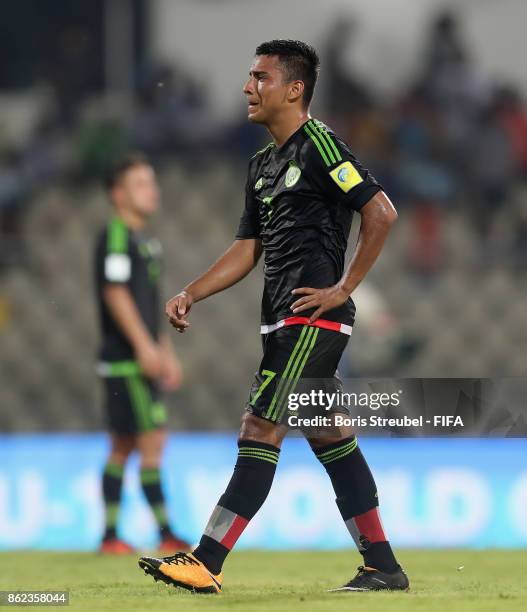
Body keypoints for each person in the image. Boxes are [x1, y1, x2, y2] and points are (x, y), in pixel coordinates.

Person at [139, 40, 408, 592]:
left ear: (294, 89)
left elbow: (381, 213)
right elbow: (247, 249)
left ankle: (206, 560)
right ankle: (383, 566)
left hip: (313, 319)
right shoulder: (262, 164)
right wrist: (191, 292)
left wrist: (343, 287)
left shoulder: (321, 147)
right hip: (280, 321)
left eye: (259, 76)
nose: (247, 87)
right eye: (249, 76)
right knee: (330, 435)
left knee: (260, 425)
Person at [94, 153, 189, 554]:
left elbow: (148, 307)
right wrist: (145, 348)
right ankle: (165, 533)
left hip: (136, 355)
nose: (152, 191)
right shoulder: (116, 235)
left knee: (124, 445)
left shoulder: (146, 243)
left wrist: (165, 350)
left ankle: (111, 535)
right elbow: (114, 291)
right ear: (118, 194)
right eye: (140, 184)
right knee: (152, 440)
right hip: (127, 359)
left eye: (152, 182)